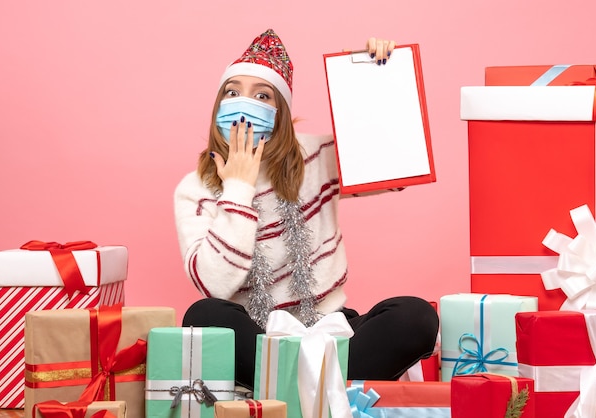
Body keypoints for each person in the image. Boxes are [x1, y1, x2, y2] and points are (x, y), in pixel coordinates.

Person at [174, 29, 439, 390]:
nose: (243, 102)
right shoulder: (195, 189)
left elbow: (395, 168)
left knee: (416, 315)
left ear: (280, 112)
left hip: (334, 331)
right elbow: (214, 285)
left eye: (262, 95)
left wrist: (373, 75)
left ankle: (288, 388)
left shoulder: (316, 157)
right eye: (232, 92)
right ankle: (324, 389)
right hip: (258, 337)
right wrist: (238, 187)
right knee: (202, 317)